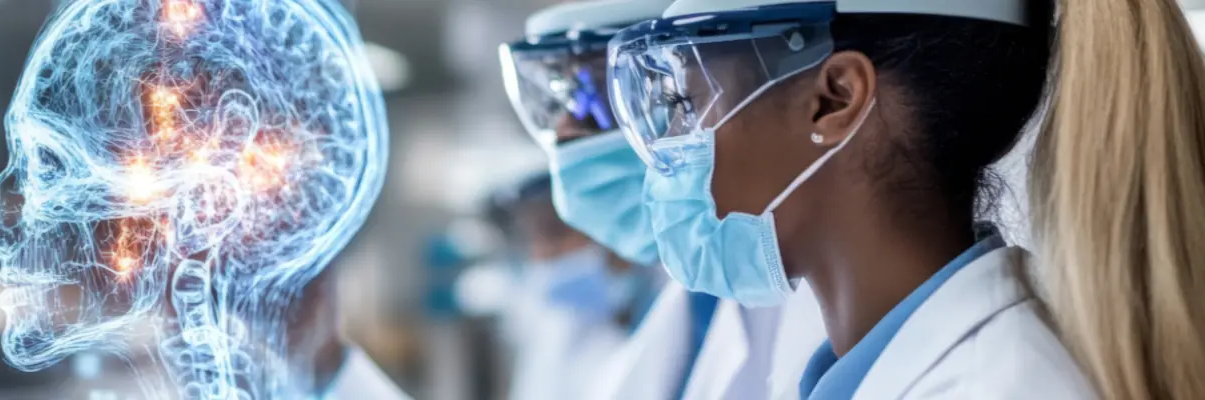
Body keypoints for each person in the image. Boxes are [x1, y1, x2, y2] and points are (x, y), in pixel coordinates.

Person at [606, 0, 1205, 398]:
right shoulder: (852, 371)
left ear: (834, 99)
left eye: (688, 103)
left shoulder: (1003, 384)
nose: (673, 144)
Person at [501, 0, 826, 398]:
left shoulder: (809, 285)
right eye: (567, 97)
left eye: (598, 92)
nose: (568, 128)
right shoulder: (699, 291)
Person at [488, 173, 660, 400]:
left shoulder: (684, 315)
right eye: (530, 238)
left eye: (553, 233)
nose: (540, 255)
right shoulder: (559, 332)